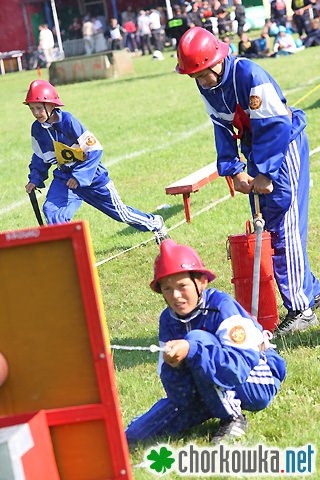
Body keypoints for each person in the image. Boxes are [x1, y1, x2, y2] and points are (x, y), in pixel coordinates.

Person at [175, 27, 320, 335]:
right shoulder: (208, 86)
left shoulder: (250, 75)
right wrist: (233, 169)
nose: (199, 82)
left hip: (283, 146)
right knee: (268, 225)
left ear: (215, 61)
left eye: (201, 74)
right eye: (194, 77)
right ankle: (310, 291)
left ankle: (301, 307)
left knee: (284, 223)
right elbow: (222, 128)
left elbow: (275, 125)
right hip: (257, 150)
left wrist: (266, 173)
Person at [126, 239, 286, 444]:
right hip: (206, 387)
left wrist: (193, 350)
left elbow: (238, 368)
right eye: (167, 289)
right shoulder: (168, 319)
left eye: (182, 286)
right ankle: (215, 405)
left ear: (201, 282)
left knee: (197, 340)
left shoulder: (221, 306)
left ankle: (233, 418)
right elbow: (178, 394)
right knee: (136, 435)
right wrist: (174, 367)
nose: (176, 296)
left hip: (255, 380)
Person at [23, 80, 168, 244]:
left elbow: (94, 149)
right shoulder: (37, 129)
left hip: (91, 178)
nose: (35, 113)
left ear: (51, 105)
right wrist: (35, 179)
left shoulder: (69, 121)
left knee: (122, 214)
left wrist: (79, 177)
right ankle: (66, 251)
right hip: (64, 178)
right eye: (31, 108)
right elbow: (40, 157)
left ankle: (156, 223)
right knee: (52, 210)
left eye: (39, 108)